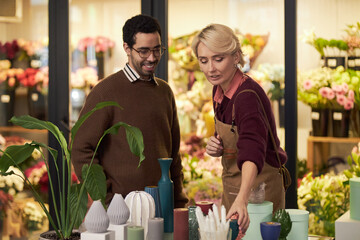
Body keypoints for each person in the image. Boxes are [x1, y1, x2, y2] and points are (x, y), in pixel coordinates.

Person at [72, 14, 188, 208]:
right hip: (120, 213)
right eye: (143, 51)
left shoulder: (164, 91)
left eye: (157, 50)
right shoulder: (105, 92)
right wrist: (106, 201)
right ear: (127, 48)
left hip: (163, 208)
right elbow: (80, 149)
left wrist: (179, 204)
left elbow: (173, 155)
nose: (152, 58)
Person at [191, 24, 287, 233]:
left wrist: (243, 199)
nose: (210, 69)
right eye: (203, 60)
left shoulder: (246, 97)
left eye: (218, 59)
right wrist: (217, 144)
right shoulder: (220, 89)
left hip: (259, 193)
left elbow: (253, 148)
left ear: (236, 57)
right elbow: (234, 133)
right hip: (236, 191)